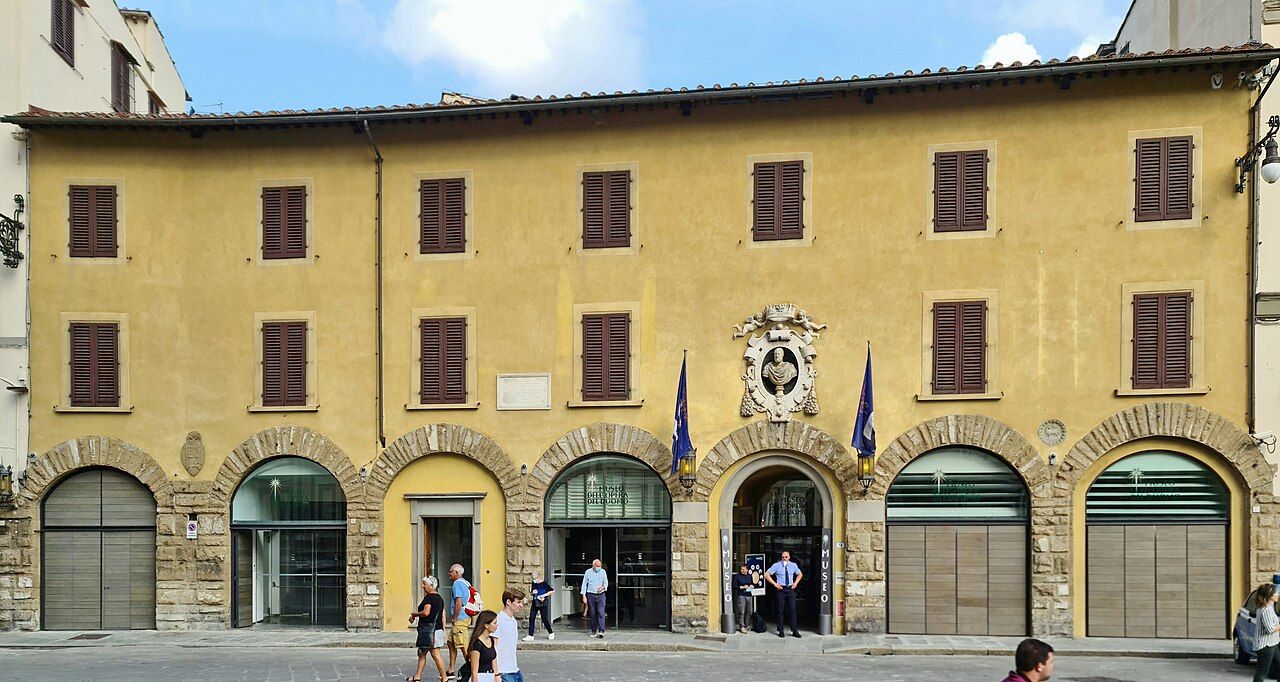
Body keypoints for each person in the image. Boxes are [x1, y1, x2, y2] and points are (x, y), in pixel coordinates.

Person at [408, 575, 447, 682]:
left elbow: (426, 612)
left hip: (430, 631)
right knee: (422, 653)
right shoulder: (440, 598)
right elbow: (443, 614)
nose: (423, 586)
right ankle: (417, 676)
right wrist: (443, 629)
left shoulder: (429, 598)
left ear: (431, 586)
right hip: (437, 630)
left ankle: (444, 678)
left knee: (434, 654)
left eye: (424, 584)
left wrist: (414, 614)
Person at [764, 550, 802, 638]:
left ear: (789, 557)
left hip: (790, 589)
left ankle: (794, 630)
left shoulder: (793, 565)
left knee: (792, 610)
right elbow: (767, 574)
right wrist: (775, 584)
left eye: (786, 557)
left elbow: (800, 574)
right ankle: (781, 630)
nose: (784, 559)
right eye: (783, 557)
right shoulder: (776, 565)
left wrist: (795, 583)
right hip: (781, 589)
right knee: (780, 610)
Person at [447, 564, 473, 678]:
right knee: (450, 642)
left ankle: (473, 669)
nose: (449, 573)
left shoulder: (457, 584)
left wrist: (455, 618)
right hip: (465, 616)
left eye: (451, 571)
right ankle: (451, 669)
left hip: (460, 618)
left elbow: (458, 601)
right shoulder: (466, 583)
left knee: (463, 646)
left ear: (457, 573)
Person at [494, 589, 526, 682]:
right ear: (508, 602)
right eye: (518, 602)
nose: (521, 605)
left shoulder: (513, 621)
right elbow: (493, 647)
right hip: (503, 671)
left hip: (514, 668)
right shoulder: (498, 620)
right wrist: (496, 673)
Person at [464, 610, 499, 682]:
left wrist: (497, 675)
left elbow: (494, 659)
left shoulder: (492, 640)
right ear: (486, 625)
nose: (497, 625)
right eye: (494, 623)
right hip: (481, 677)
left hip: (490, 676)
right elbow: (474, 672)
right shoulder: (477, 644)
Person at [1256, 583, 1280, 682]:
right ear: (1270, 595)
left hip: (1273, 644)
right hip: (1265, 646)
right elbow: (1269, 629)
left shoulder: (1269, 608)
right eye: (1276, 593)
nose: (1278, 594)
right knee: (1262, 672)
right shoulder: (1265, 610)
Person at [582, 558, 609, 638]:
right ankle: (593, 630)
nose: (599, 567)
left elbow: (606, 583)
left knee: (601, 613)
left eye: (600, 566)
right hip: (591, 595)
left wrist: (603, 587)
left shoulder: (603, 572)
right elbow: (584, 584)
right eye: (597, 566)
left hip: (601, 595)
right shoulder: (588, 572)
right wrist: (584, 595)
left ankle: (601, 630)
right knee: (592, 613)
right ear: (593, 566)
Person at [524, 574, 555, 641]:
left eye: (534, 579)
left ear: (538, 577)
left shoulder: (544, 584)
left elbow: (552, 591)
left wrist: (544, 595)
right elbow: (532, 592)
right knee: (532, 618)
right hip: (535, 602)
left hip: (542, 603)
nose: (534, 581)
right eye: (532, 579)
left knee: (544, 618)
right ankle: (530, 635)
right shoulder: (534, 583)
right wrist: (532, 592)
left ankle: (551, 632)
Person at [732, 564, 755, 633]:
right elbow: (734, 586)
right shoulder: (737, 576)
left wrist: (752, 586)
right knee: (741, 611)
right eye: (741, 569)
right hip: (741, 595)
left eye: (743, 569)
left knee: (749, 611)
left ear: (747, 570)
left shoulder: (749, 576)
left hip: (749, 594)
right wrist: (742, 587)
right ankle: (741, 626)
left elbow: (753, 583)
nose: (741, 570)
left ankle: (747, 625)